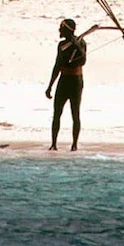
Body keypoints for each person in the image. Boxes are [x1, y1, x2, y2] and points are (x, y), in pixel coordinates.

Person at [45, 18, 88, 151]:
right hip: (63, 80)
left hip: (76, 81)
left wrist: (76, 45)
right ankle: (53, 144)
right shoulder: (62, 45)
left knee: (75, 113)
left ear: (67, 30)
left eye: (61, 28)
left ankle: (74, 144)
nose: (59, 30)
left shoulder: (81, 42)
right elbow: (57, 65)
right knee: (57, 112)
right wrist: (50, 86)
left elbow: (83, 60)